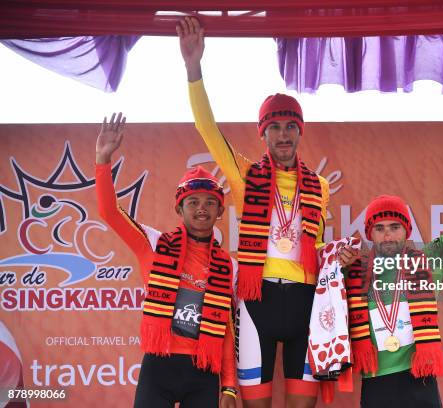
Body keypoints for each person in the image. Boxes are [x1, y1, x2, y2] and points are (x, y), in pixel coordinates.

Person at [177, 17, 358, 408]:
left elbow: (317, 244)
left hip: (307, 304)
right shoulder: (244, 175)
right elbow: (208, 130)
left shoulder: (319, 186)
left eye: (290, 126)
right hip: (257, 302)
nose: (283, 134)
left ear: (300, 132)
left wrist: (335, 256)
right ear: (262, 133)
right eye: (274, 127)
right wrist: (194, 69)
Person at [346, 105, 443, 408]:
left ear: (407, 230)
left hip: (419, 381)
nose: (388, 234)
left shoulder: (429, 258)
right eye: (380, 228)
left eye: (395, 226)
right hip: (375, 385)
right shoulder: (353, 269)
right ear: (370, 234)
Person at [95, 112, 238, 408]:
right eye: (193, 202)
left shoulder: (228, 266)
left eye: (210, 203)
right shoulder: (154, 243)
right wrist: (102, 160)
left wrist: (229, 387)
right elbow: (110, 212)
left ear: (220, 211)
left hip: (203, 370)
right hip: (159, 367)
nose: (202, 209)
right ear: (179, 208)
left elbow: (225, 329)